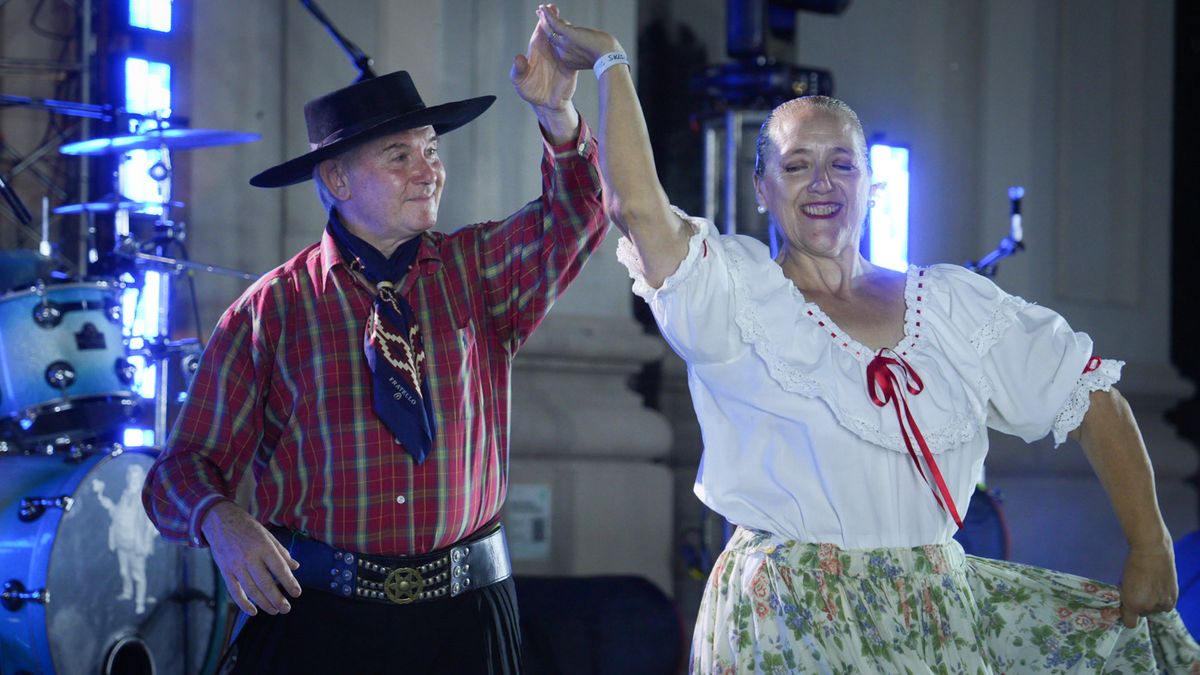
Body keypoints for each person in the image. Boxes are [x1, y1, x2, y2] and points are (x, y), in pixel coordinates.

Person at [533, 4, 1200, 672]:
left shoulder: (949, 305)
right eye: (796, 166)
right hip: (784, 620)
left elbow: (1090, 397)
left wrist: (1151, 542)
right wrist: (613, 63)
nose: (821, 183)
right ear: (762, 188)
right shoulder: (734, 292)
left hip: (931, 612)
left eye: (842, 164)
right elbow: (637, 208)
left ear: (871, 184)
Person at [141, 18, 606, 673]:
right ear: (335, 178)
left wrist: (557, 113)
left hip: (468, 620)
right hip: (320, 624)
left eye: (432, 150)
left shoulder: (476, 270)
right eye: (401, 156)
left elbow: (579, 212)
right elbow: (176, 472)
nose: (429, 172)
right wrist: (219, 517)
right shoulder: (272, 310)